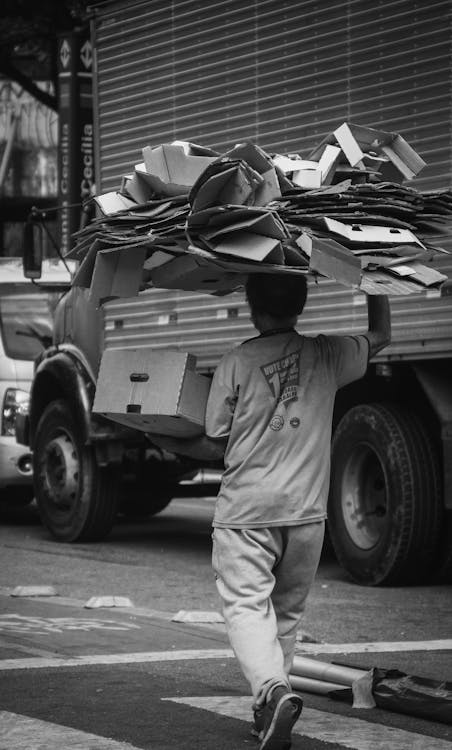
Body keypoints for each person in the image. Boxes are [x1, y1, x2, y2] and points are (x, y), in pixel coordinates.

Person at [149, 272, 391, 750]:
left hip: (247, 511)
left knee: (245, 606)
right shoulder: (328, 354)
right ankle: (269, 711)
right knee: (285, 615)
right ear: (300, 304)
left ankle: (272, 690)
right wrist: (373, 276)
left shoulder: (237, 362)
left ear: (250, 305)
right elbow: (381, 336)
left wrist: (155, 434)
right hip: (306, 514)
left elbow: (212, 443)